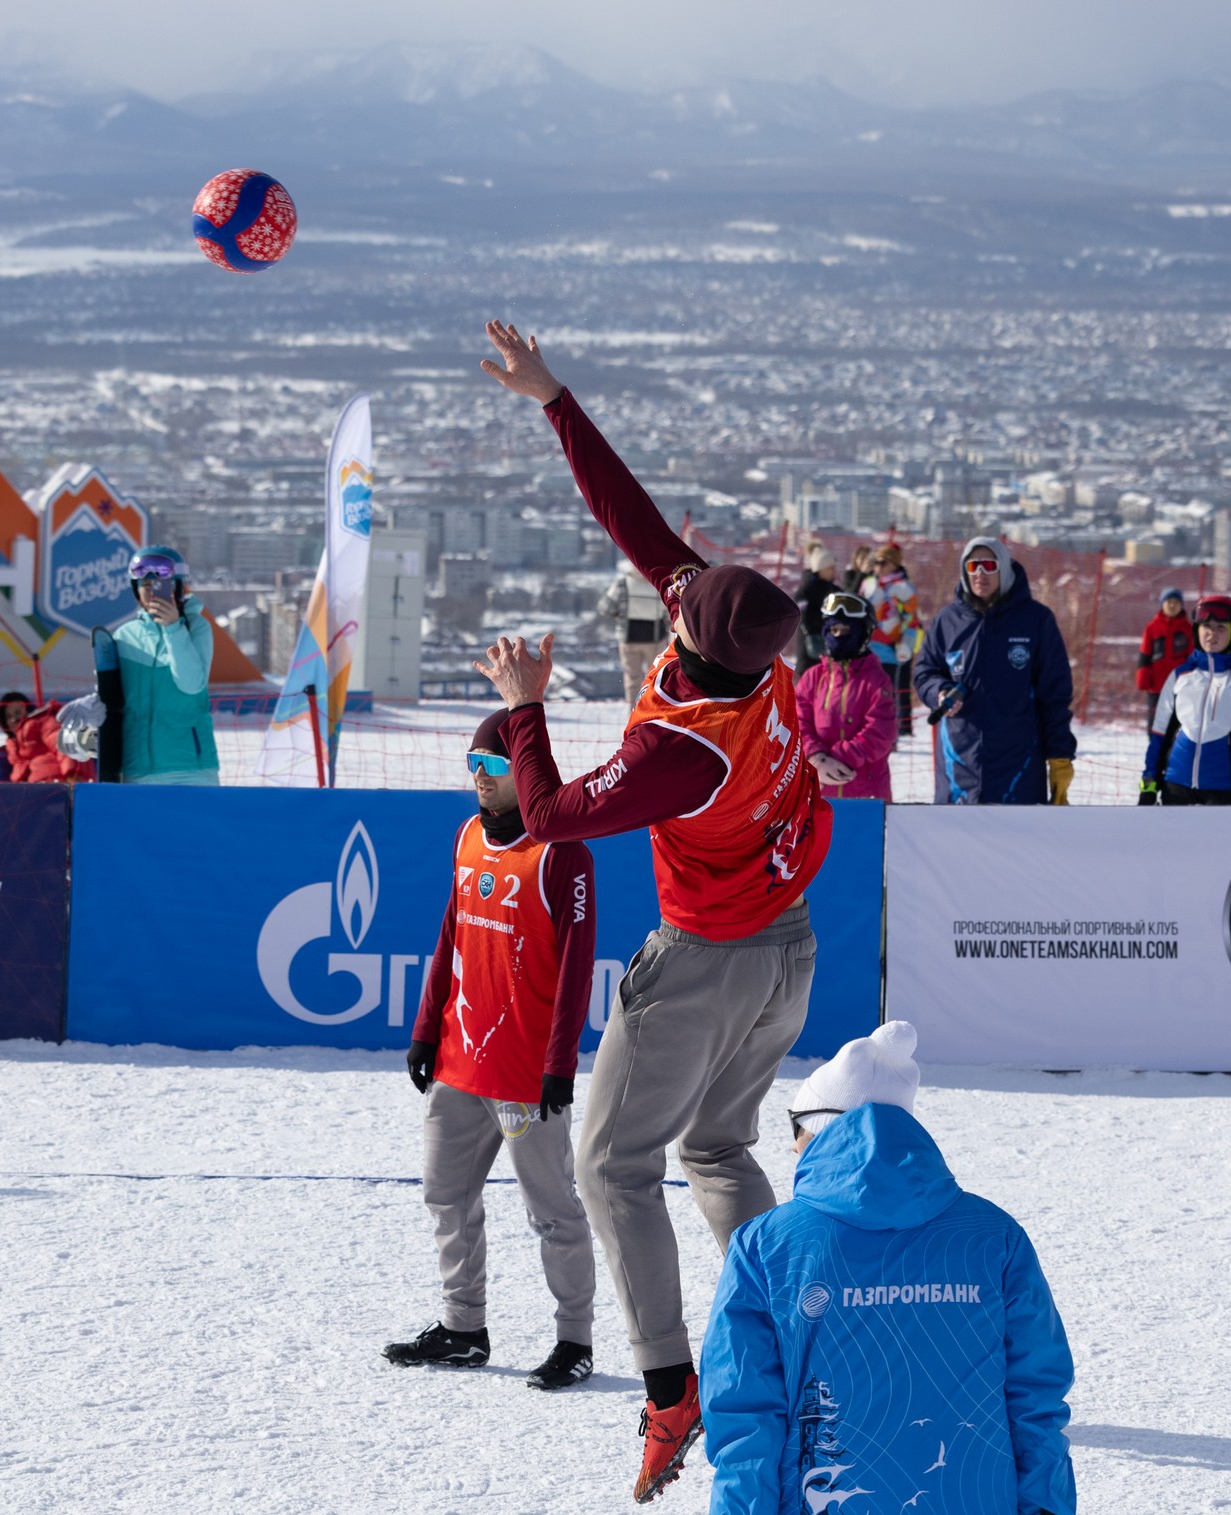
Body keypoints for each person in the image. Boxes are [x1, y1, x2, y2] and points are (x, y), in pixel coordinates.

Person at [477, 321, 831, 1503]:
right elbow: (637, 524)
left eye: (684, 592)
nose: (672, 583)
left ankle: (670, 1388)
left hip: (711, 961)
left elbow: (546, 815)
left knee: (609, 1165)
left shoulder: (688, 752)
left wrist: (524, 707)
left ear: (694, 635)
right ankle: (800, 1338)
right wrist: (552, 398)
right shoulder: (751, 648)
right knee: (719, 1146)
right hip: (788, 949)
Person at [700, 1022, 1077, 1515]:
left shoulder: (767, 1245)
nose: (792, 1147)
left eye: (795, 1128)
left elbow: (745, 1417)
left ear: (818, 1128)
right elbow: (1036, 1399)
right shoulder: (995, 1236)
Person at [385, 710, 601, 1392]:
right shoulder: (469, 834)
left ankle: (575, 1340)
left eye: (495, 765)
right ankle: (463, 1327)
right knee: (445, 1194)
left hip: (523, 1078)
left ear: (525, 772)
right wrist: (426, 1029)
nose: (480, 776)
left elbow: (576, 967)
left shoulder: (562, 850)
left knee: (551, 1211)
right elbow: (451, 933)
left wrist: (559, 1064)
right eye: (473, 764)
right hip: (461, 1063)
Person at [912, 539, 1077, 806]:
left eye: (989, 566)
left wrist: (1060, 756)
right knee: (955, 845)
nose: (980, 573)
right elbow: (925, 672)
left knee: (1015, 844)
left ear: (1005, 569)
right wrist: (939, 691)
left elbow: (1055, 694)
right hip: (959, 760)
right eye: (973, 566)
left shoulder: (1036, 620)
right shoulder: (948, 621)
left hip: (1018, 761)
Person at [1140, 595, 1231, 807]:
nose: (1212, 634)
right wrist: (1149, 779)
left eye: (1221, 628)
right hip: (1175, 785)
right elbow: (1160, 733)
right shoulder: (1180, 676)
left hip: (1224, 789)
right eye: (1206, 627)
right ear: (1197, 630)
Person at [113, 545, 219, 784]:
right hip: (138, 767)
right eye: (145, 587)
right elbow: (115, 695)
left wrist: (173, 629)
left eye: (160, 586)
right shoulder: (124, 636)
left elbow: (191, 685)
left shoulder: (196, 627)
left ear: (178, 587)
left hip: (191, 767)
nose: (152, 593)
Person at [794, 592, 897, 801]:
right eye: (834, 630)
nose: (839, 636)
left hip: (866, 794)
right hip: (817, 794)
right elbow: (796, 723)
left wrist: (840, 757)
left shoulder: (876, 680)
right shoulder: (813, 678)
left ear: (862, 633)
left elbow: (881, 731)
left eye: (846, 630)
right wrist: (816, 758)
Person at [861, 543, 919, 738]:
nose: (878, 566)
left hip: (889, 648)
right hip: (866, 647)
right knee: (865, 694)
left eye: (883, 562)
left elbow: (911, 619)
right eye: (876, 562)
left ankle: (888, 734)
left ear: (894, 564)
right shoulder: (868, 583)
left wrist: (906, 644)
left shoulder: (903, 588)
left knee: (886, 693)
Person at [601, 560, 667, 697]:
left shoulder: (622, 584)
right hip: (655, 639)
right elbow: (668, 614)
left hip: (628, 639)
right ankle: (653, 711)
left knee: (632, 679)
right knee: (656, 678)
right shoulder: (659, 584)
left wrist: (617, 614)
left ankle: (633, 712)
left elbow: (605, 608)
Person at [1134, 587, 1192, 722]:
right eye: (1169, 601)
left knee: (1178, 722)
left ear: (1181, 605)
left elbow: (1192, 657)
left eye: (1176, 602)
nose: (1172, 605)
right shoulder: (1152, 628)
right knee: (1156, 721)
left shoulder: (1188, 629)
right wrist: (1143, 679)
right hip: (1157, 685)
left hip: (1180, 685)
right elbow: (1145, 654)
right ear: (1162, 604)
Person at [794, 546, 841, 669]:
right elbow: (804, 618)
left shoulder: (834, 589)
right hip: (810, 649)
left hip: (829, 647)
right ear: (821, 568)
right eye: (830, 568)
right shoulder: (805, 591)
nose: (833, 571)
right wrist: (827, 620)